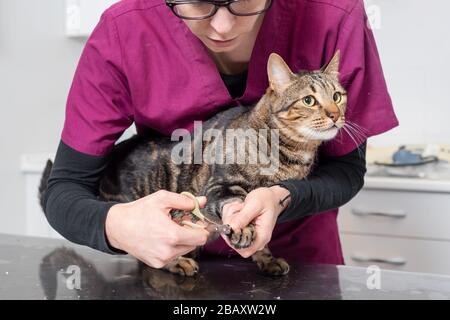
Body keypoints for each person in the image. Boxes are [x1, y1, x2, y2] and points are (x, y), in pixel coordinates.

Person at [43, 0, 399, 268]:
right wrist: (115, 226)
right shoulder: (124, 30)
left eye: (244, 2)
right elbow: (64, 192)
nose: (224, 26)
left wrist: (284, 195)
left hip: (299, 263)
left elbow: (347, 171)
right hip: (173, 264)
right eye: (199, 3)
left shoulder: (334, 14)